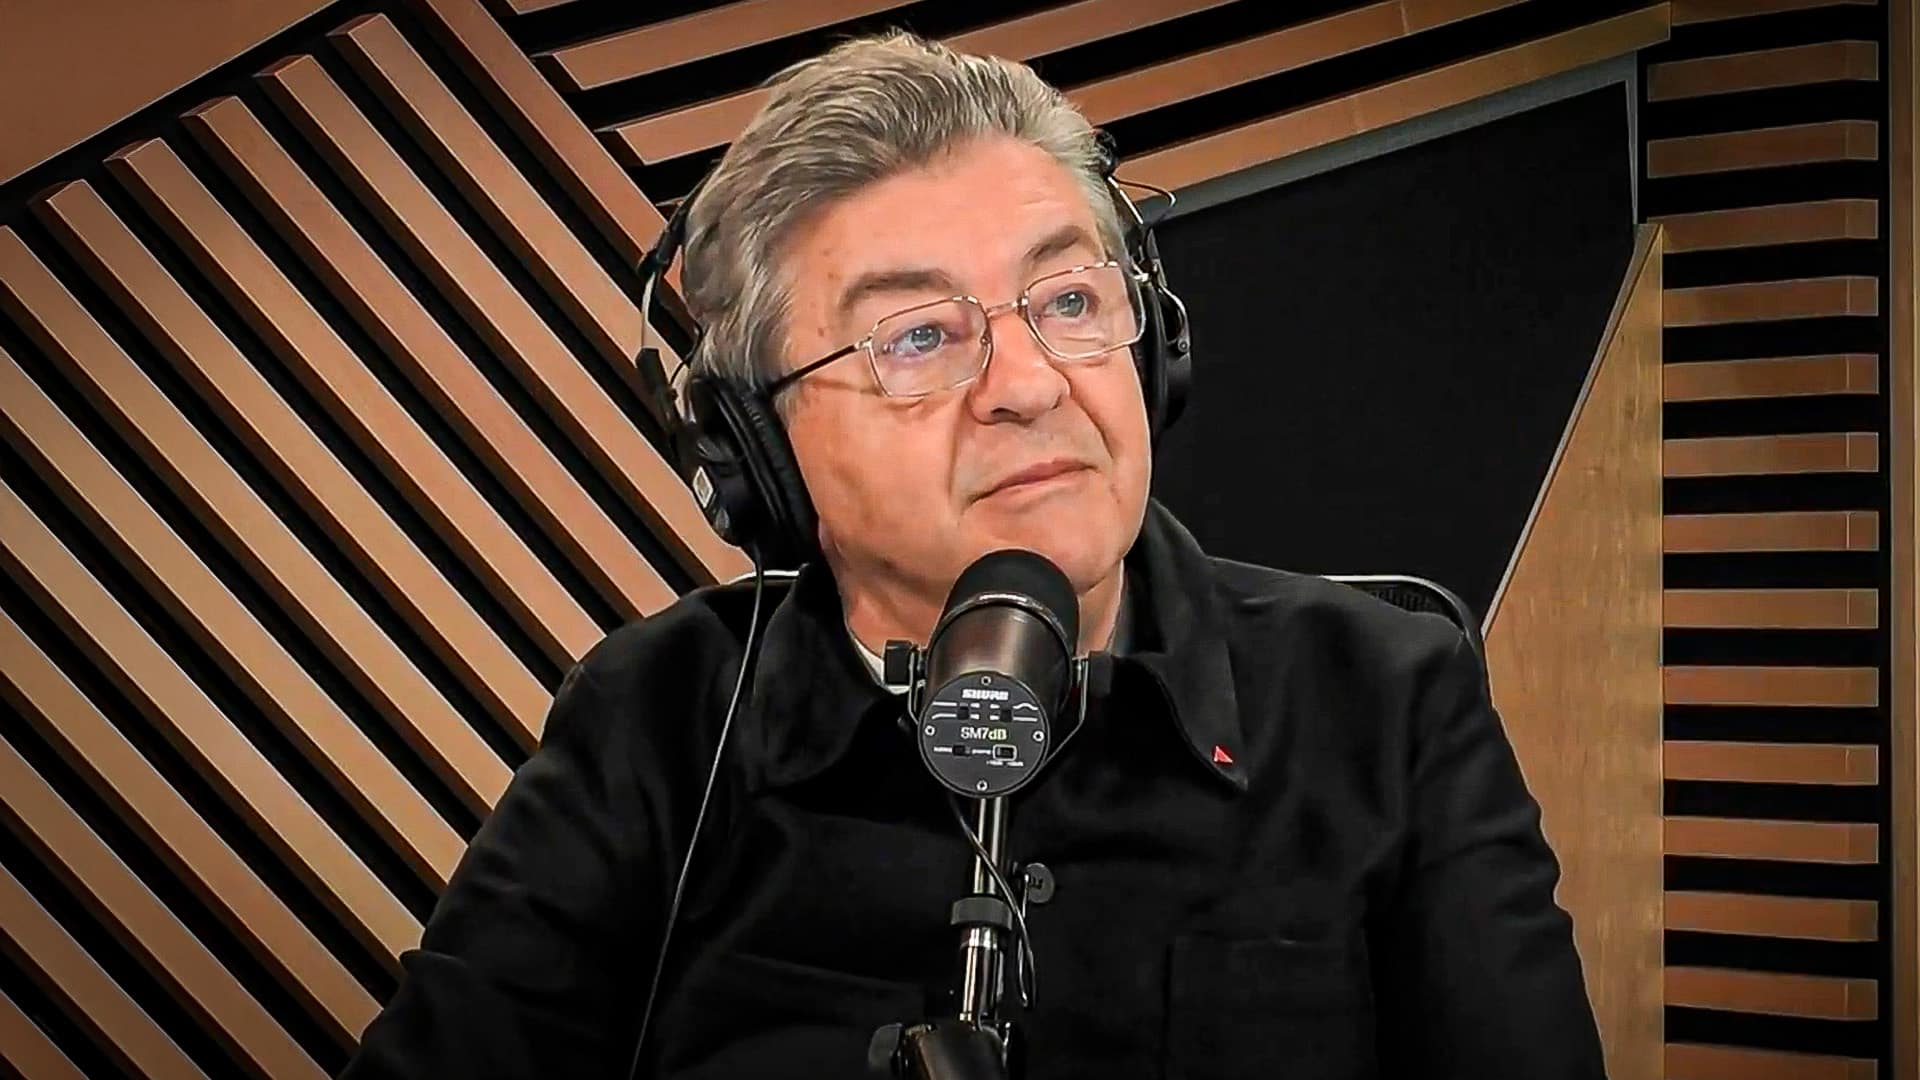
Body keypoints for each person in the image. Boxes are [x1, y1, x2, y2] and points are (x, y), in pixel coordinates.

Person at [341, 31, 1605, 1080]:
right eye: (917, 337)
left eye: (1069, 301)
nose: (1028, 384)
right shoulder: (658, 720)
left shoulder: (1387, 698)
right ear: (758, 449)